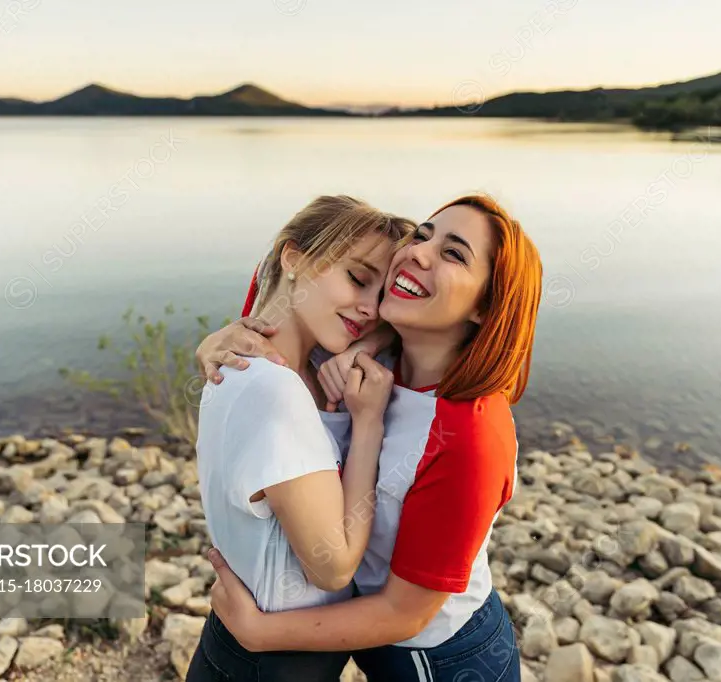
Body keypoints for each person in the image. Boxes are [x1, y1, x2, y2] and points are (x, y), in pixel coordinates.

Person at [196, 194, 542, 682]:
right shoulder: (360, 349)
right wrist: (215, 344)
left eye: (453, 253)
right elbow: (278, 304)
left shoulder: (470, 433)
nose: (420, 253)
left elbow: (406, 613)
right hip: (352, 637)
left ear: (486, 307)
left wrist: (259, 635)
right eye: (424, 235)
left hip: (437, 659)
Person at [186, 195, 415, 682]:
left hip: (252, 644)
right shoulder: (275, 390)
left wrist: (369, 341)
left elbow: (424, 326)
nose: (370, 309)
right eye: (357, 278)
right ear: (294, 258)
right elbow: (332, 569)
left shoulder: (278, 364)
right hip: (272, 661)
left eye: (382, 297)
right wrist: (369, 424)